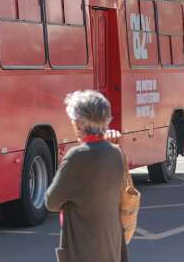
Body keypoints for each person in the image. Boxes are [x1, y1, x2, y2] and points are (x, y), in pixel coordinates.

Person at [45, 90, 129, 262]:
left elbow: (51, 201)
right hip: (111, 244)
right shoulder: (115, 153)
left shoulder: (76, 156)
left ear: (79, 123)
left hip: (84, 248)